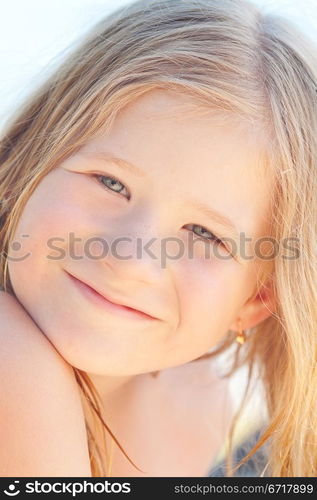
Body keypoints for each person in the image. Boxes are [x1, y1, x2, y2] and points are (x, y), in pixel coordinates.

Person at [0, 0, 316, 477]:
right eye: (110, 183)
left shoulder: (206, 400)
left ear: (256, 299)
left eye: (204, 234)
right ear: (28, 161)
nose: (131, 259)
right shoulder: (12, 363)